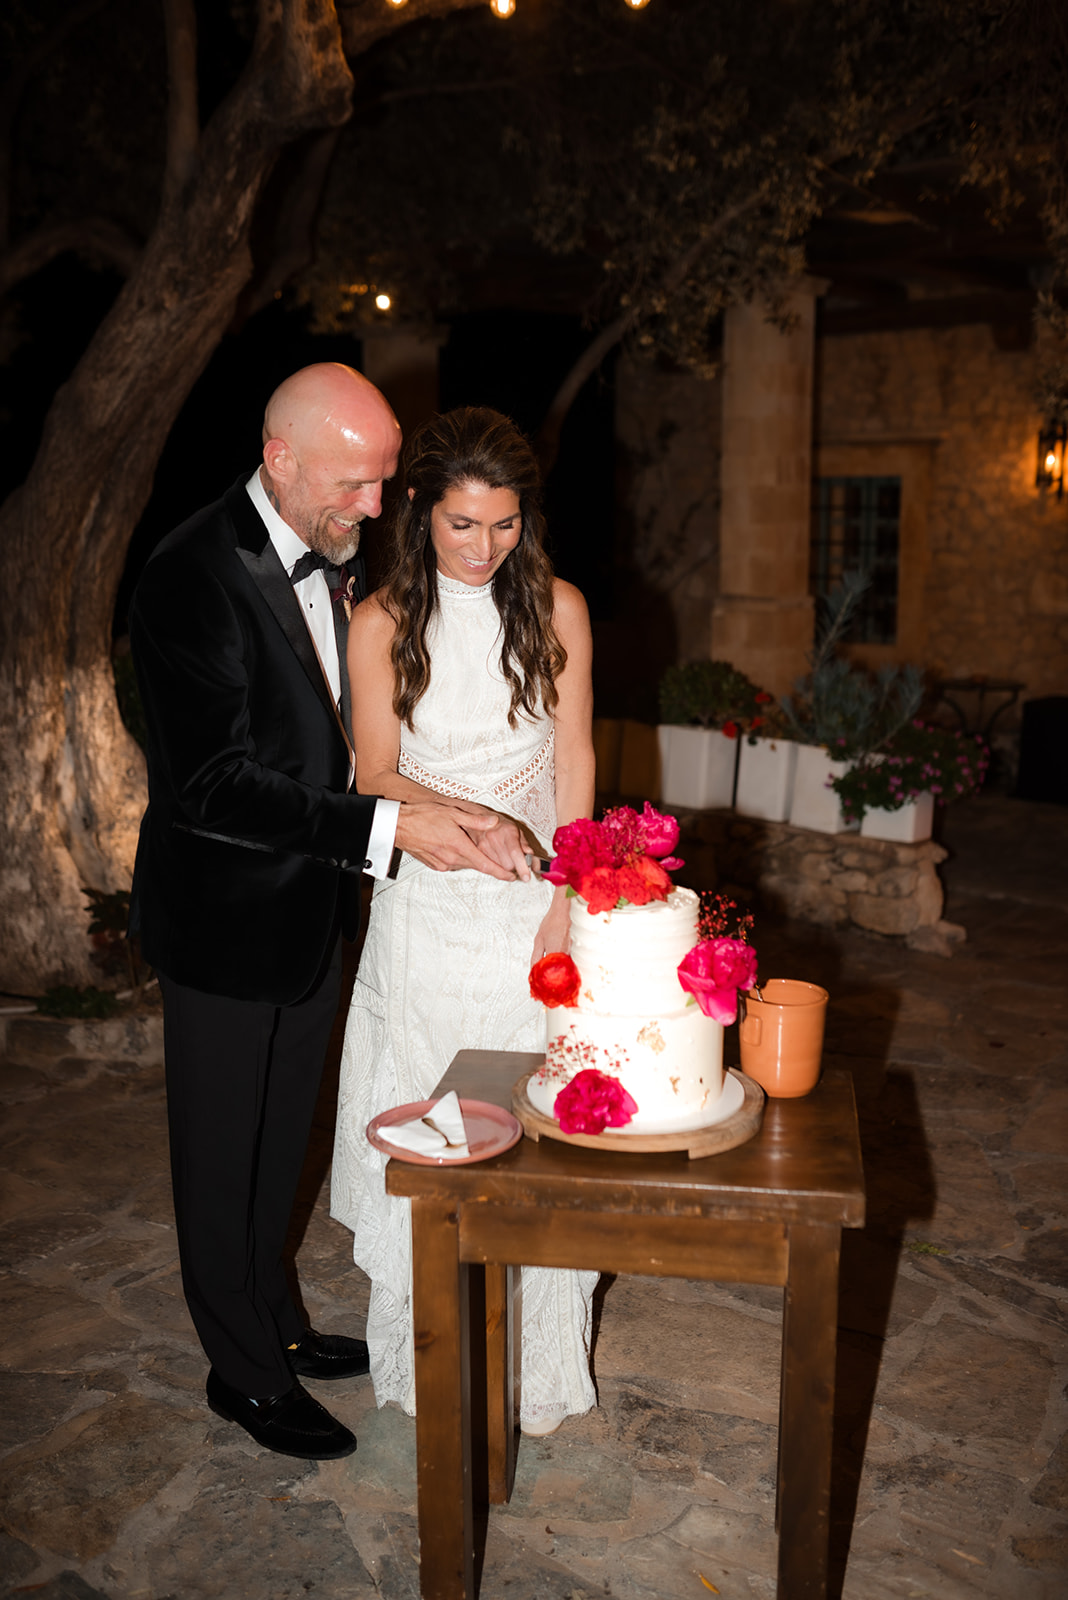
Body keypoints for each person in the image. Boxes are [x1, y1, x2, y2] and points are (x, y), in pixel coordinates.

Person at [129, 365, 530, 1462]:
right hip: (220, 924)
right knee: (221, 1152)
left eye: (387, 483)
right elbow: (210, 783)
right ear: (281, 459)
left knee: (276, 1145)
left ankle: (278, 1320)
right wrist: (386, 833)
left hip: (313, 914)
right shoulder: (187, 576)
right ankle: (242, 1374)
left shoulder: (344, 553)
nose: (375, 506)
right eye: (356, 484)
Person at [330, 406, 599, 1435]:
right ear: (419, 514)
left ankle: (537, 1368)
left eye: (502, 525)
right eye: (460, 525)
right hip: (429, 915)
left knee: (532, 1135)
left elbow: (574, 764)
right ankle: (431, 1356)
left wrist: (566, 905)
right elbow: (374, 772)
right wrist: (467, 819)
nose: (483, 549)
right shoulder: (381, 620)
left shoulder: (561, 609)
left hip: (531, 914)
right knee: (433, 1134)